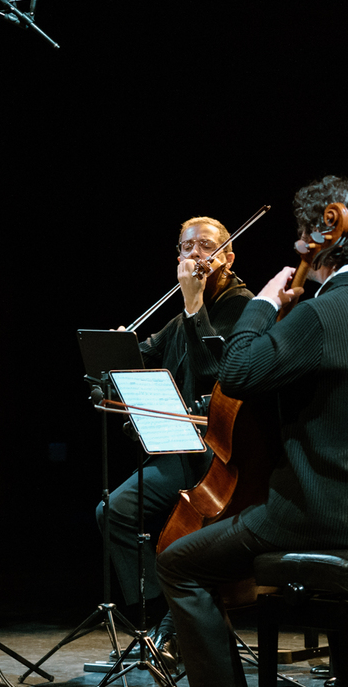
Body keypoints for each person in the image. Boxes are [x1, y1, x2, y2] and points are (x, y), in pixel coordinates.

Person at [155, 177, 348, 687]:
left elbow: (236, 373)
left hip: (325, 516)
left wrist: (262, 305)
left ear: (316, 239)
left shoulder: (321, 315)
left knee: (178, 564)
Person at [97, 217, 252, 660]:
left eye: (205, 245)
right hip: (181, 445)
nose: (195, 254)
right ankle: (160, 618)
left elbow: (214, 374)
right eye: (187, 246)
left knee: (185, 535)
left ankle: (178, 624)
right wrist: (115, 358)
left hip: (221, 452)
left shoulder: (244, 306)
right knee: (115, 511)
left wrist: (192, 304)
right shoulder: (184, 308)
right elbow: (147, 353)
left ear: (228, 255)